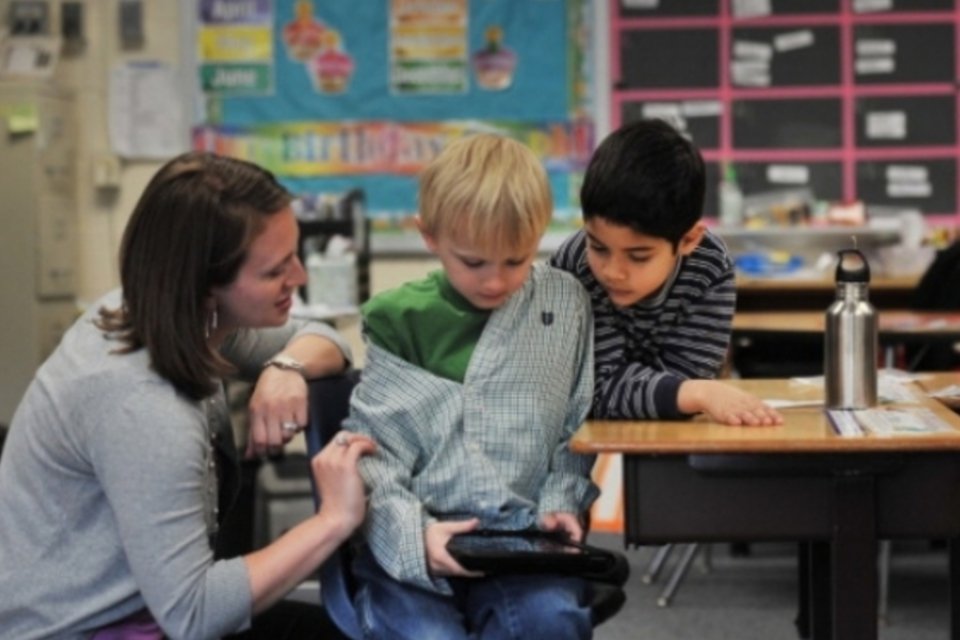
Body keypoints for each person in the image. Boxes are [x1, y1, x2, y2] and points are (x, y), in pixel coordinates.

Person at [0, 151, 376, 640]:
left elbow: (328, 341)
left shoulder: (167, 315)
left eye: (294, 256)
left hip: (143, 614)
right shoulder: (143, 404)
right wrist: (333, 519)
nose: (299, 278)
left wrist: (286, 369)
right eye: (274, 272)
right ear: (204, 287)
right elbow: (194, 615)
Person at [344, 134, 599, 639]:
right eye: (473, 262)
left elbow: (575, 425)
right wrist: (416, 538)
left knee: (551, 623)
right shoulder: (400, 320)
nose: (495, 282)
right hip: (417, 532)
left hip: (518, 540)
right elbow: (376, 459)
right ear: (429, 236)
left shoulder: (563, 304)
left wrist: (559, 503)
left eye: (516, 259)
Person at [551, 118, 782, 426]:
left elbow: (683, 381)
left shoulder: (708, 268)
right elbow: (592, 392)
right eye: (599, 247)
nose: (612, 271)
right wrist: (693, 393)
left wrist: (688, 392)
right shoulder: (574, 266)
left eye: (638, 256)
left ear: (688, 240)